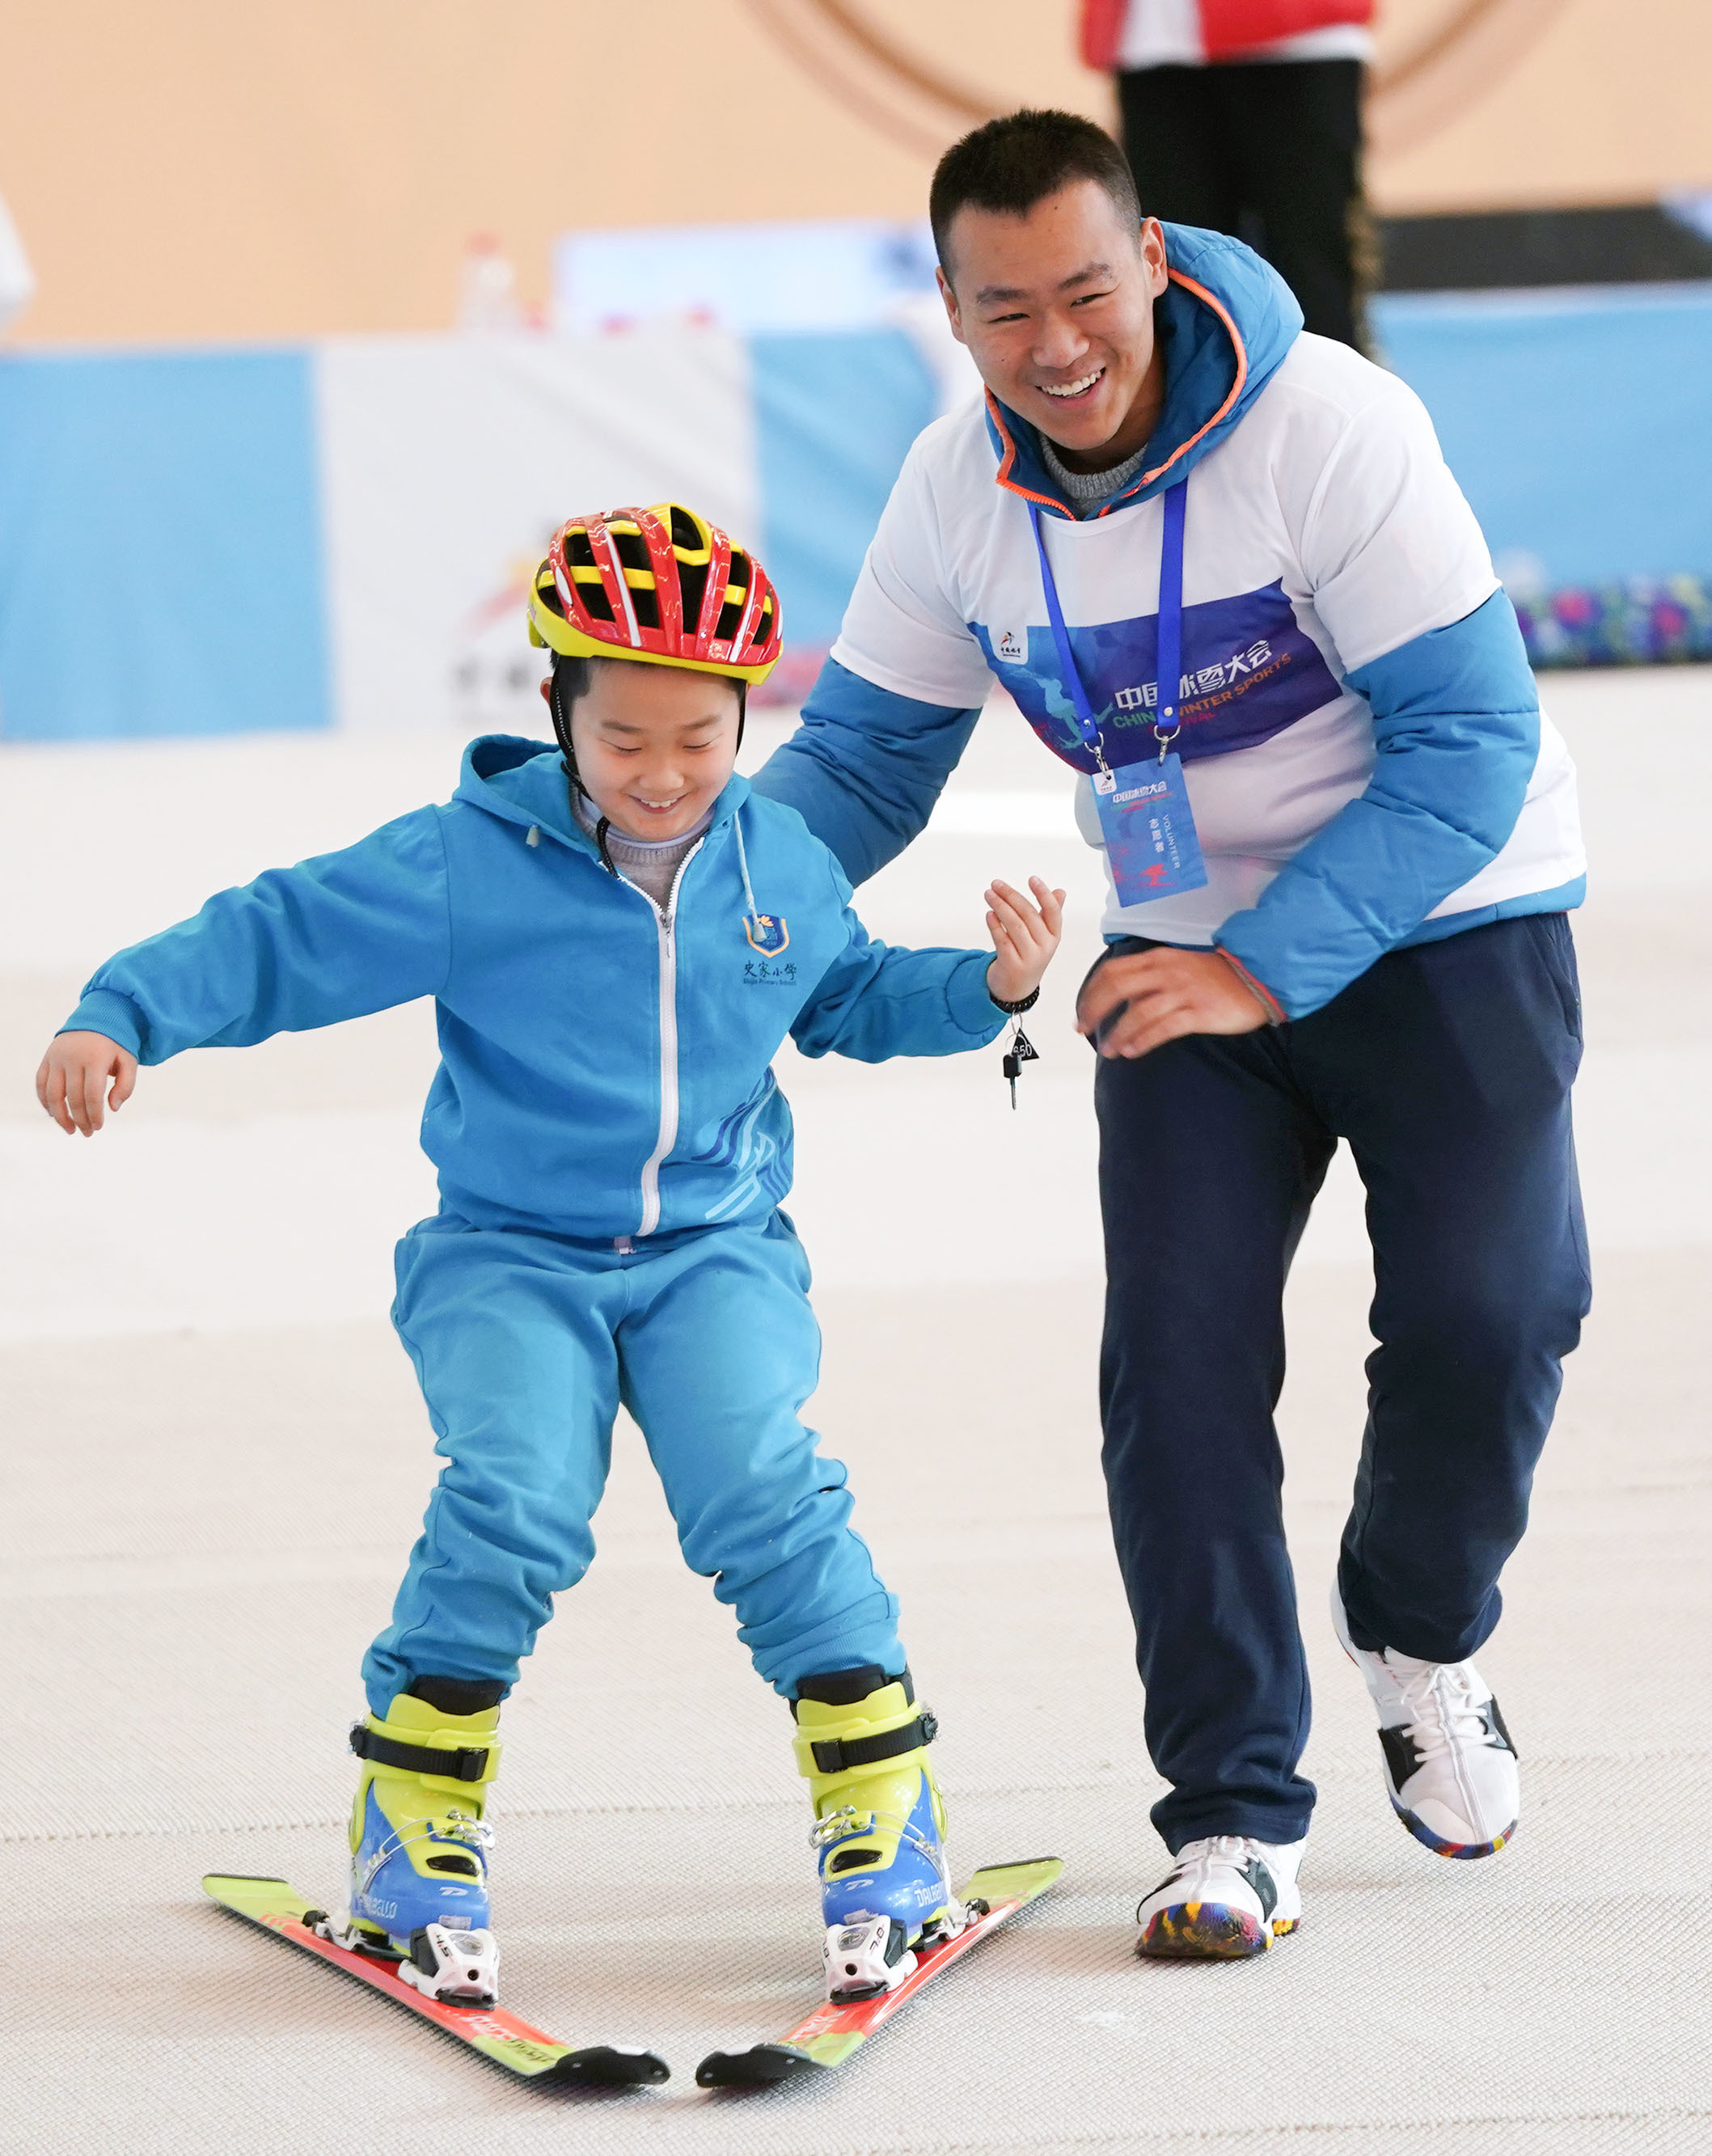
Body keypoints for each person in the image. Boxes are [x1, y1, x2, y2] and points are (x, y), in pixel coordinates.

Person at [34, 501, 1067, 2008]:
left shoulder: (780, 862)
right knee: (516, 1498)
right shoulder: (471, 862)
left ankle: (881, 1807)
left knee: (765, 1491)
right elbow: (279, 934)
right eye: (626, 738)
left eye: (698, 741)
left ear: (742, 721)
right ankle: (414, 1818)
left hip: (714, 1251)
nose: (661, 776)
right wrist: (121, 1011)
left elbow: (844, 997)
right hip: (506, 1256)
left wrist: (987, 987)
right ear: (556, 712)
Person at [753, 112, 1588, 1959]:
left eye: (1080, 289)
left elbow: (1467, 742)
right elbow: (869, 755)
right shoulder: (951, 493)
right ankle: (1229, 1809)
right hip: (1176, 949)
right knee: (1178, 1370)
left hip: (1451, 917)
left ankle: (1418, 1625)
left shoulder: (1328, 428)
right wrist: (714, 901)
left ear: (1146, 260)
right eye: (1000, 308)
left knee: (1489, 1315)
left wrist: (1262, 963)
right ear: (953, 313)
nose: (1053, 343)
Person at [1080, 0, 1375, 352]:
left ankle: (1334, 392)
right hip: (1154, 41)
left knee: (1314, 267)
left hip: (1299, 35)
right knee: (1176, 268)